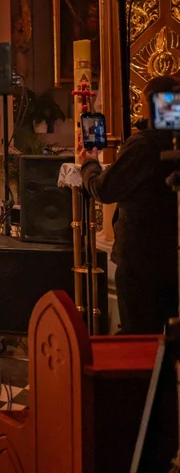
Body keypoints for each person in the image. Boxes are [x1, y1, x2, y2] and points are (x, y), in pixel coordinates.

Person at [78, 75, 180, 334]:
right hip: (171, 256)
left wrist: (89, 164)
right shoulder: (167, 142)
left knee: (140, 336)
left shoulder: (144, 144)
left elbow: (104, 189)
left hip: (142, 258)